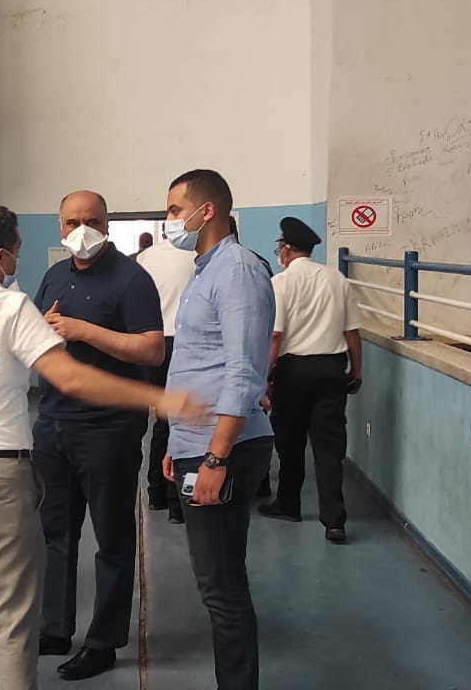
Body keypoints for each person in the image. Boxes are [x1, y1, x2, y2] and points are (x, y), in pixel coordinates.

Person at [0, 203, 203, 690]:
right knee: (12, 621)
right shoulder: (11, 307)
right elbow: (70, 378)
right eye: (16, 250)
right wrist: (157, 398)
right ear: (0, 256)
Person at [32, 191, 165, 680]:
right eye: (72, 221)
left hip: (108, 428)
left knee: (112, 537)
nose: (81, 229)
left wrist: (83, 330)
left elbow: (152, 350)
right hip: (53, 423)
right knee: (55, 533)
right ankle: (54, 627)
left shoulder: (132, 279)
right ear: (60, 226)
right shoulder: (54, 276)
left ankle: (104, 641)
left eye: (91, 220)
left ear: (107, 226)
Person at [160, 169, 275, 690]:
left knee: (222, 586)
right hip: (197, 442)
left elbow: (244, 372)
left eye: (174, 210)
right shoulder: (204, 272)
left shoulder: (238, 270)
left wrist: (215, 457)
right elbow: (195, 364)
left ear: (206, 211)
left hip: (224, 447)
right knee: (215, 582)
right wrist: (177, 444)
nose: (169, 221)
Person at [257, 218, 362, 542]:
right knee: (329, 448)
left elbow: (276, 336)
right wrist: (356, 371)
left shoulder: (281, 283)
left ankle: (288, 504)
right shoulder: (337, 279)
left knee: (290, 444)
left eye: (280, 247)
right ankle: (334, 522)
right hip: (331, 370)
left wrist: (265, 376)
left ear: (287, 249)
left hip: (292, 372)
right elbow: (352, 332)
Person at [137, 229, 197, 524]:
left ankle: (156, 492)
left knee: (163, 419)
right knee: (186, 422)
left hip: (156, 342)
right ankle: (179, 503)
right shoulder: (197, 255)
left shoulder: (146, 257)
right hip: (187, 342)